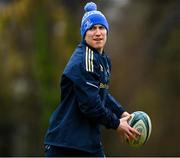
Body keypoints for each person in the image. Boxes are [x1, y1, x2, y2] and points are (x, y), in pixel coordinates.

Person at [44, 2, 140, 157]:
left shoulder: (102, 60)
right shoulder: (84, 60)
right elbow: (90, 104)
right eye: (92, 28)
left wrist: (121, 112)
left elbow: (101, 92)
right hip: (65, 145)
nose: (98, 33)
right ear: (84, 33)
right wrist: (116, 124)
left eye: (101, 28)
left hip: (88, 144)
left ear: (107, 31)